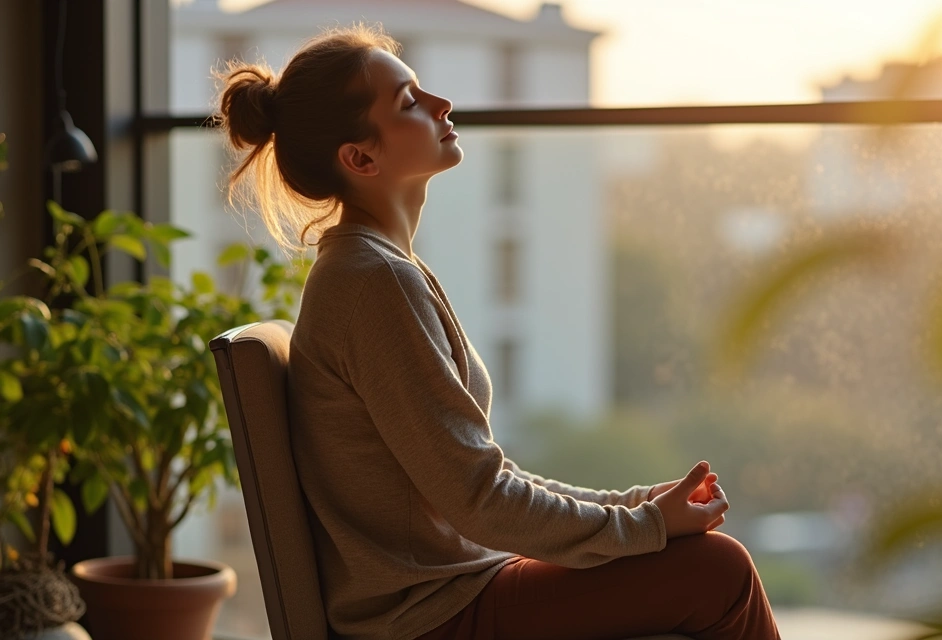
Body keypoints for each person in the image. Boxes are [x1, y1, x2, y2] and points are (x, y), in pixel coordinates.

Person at [215, 23, 781, 640]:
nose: (441, 105)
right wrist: (645, 526)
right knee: (717, 571)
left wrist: (637, 506)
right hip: (430, 615)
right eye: (409, 102)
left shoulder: (375, 266)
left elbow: (483, 481)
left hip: (454, 586)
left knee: (706, 566)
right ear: (361, 157)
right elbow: (480, 498)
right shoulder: (371, 281)